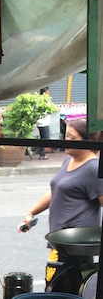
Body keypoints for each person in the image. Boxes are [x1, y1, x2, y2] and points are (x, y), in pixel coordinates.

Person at [18, 117, 103, 279]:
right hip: (60, 242)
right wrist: (31, 213)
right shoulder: (68, 161)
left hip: (76, 247)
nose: (67, 141)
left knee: (64, 294)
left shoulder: (93, 168)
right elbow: (56, 190)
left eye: (73, 138)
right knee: (56, 290)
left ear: (88, 141)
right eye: (67, 136)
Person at [36, 87, 51, 159]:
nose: (49, 92)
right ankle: (33, 148)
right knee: (45, 138)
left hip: (39, 122)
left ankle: (42, 154)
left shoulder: (38, 99)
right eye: (48, 91)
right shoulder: (45, 100)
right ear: (45, 92)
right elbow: (49, 109)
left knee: (43, 138)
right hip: (44, 122)